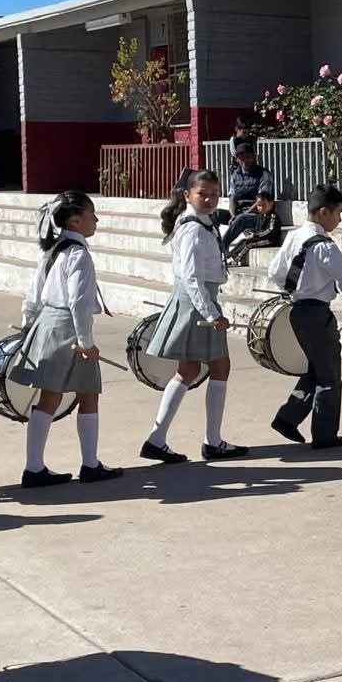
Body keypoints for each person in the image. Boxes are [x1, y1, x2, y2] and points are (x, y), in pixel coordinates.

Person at [10, 192, 123, 487]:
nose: (96, 219)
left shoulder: (52, 250)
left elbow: (33, 295)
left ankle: (34, 467)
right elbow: (79, 304)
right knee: (88, 394)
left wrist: (28, 325)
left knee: (50, 395)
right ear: (74, 220)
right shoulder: (78, 254)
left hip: (47, 324)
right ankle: (90, 464)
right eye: (91, 214)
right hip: (68, 328)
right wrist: (86, 342)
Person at [141, 170, 249, 463]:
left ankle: (158, 439)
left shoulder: (201, 222)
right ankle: (211, 442)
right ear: (188, 195)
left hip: (198, 300)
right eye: (203, 194)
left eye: (215, 194)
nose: (210, 199)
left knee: (190, 370)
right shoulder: (192, 229)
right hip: (197, 302)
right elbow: (191, 277)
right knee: (216, 366)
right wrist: (211, 313)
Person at [268, 186, 342, 449]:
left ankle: (288, 417)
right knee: (329, 375)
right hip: (318, 313)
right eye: (338, 213)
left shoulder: (294, 236)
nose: (339, 219)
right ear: (324, 212)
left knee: (316, 368)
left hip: (297, 310)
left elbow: (275, 271)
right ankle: (324, 435)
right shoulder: (325, 247)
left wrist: (292, 286)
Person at [224, 192, 283, 267]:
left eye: (264, 205)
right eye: (259, 206)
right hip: (261, 238)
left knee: (249, 244)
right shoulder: (261, 216)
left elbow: (270, 231)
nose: (261, 208)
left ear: (271, 204)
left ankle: (236, 260)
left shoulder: (272, 216)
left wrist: (255, 235)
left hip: (270, 241)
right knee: (243, 241)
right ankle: (230, 255)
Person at [227, 141, 275, 216]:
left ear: (253, 157)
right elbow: (232, 198)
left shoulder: (264, 174)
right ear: (236, 159)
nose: (245, 159)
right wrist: (233, 216)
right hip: (239, 212)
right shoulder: (235, 175)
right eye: (242, 156)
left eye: (248, 156)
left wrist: (244, 215)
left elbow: (262, 200)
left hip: (257, 213)